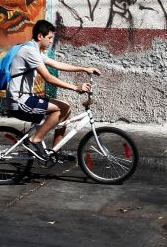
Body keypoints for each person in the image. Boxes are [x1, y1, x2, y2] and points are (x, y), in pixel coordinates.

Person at [6, 19, 100, 160]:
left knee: (65, 107)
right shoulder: (29, 51)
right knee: (61, 108)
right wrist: (75, 87)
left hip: (26, 98)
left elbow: (57, 64)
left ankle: (56, 151)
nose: (51, 41)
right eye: (49, 38)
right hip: (20, 101)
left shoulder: (34, 50)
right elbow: (48, 78)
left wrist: (85, 69)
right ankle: (35, 140)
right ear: (40, 36)